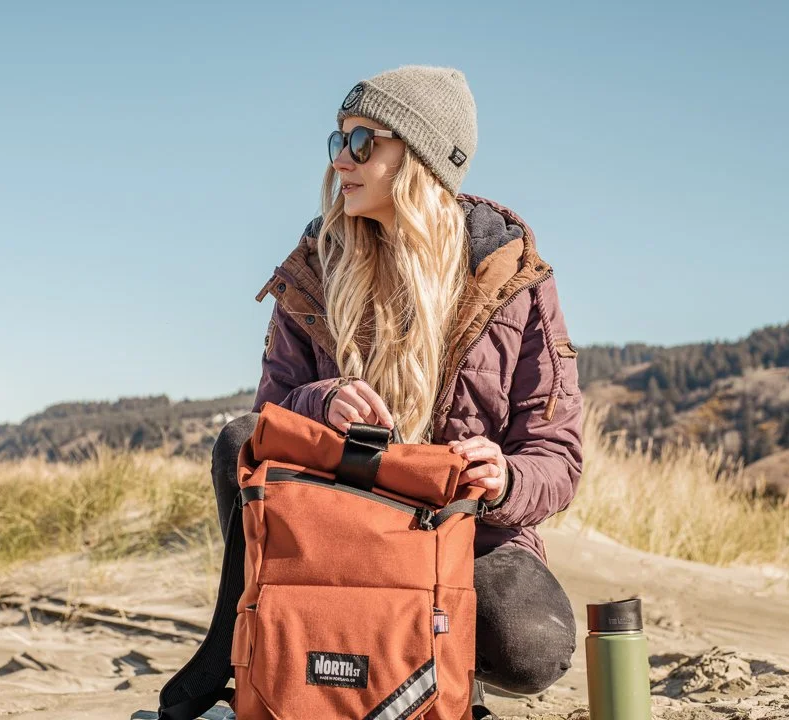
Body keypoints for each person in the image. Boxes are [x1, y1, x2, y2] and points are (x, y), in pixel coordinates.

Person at [211, 66, 583, 717]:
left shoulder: (512, 277)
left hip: (464, 530)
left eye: (363, 143)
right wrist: (321, 403)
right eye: (337, 142)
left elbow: (557, 454)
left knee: (528, 646)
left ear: (420, 158)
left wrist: (504, 480)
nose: (340, 163)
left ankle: (439, 670)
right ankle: (262, 642)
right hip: (343, 517)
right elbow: (266, 420)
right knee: (235, 442)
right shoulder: (315, 268)